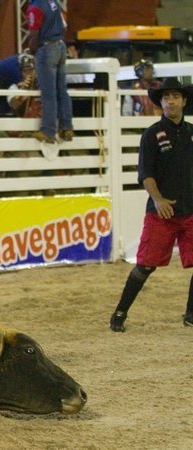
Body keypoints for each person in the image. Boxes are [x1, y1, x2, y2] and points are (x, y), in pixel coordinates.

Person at [109, 78, 193, 332]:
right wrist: (157, 199)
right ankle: (119, 313)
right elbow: (146, 174)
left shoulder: (191, 132)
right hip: (162, 212)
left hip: (190, 209)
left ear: (184, 101)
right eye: (166, 97)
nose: (171, 101)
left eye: (176, 96)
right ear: (161, 103)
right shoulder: (152, 134)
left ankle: (191, 313)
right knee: (145, 265)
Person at [26, 0, 73, 144]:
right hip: (60, 45)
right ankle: (66, 127)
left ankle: (48, 131)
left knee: (48, 93)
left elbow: (34, 33)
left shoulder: (35, 8)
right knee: (61, 90)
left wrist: (32, 51)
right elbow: (63, 26)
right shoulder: (52, 2)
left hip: (47, 48)